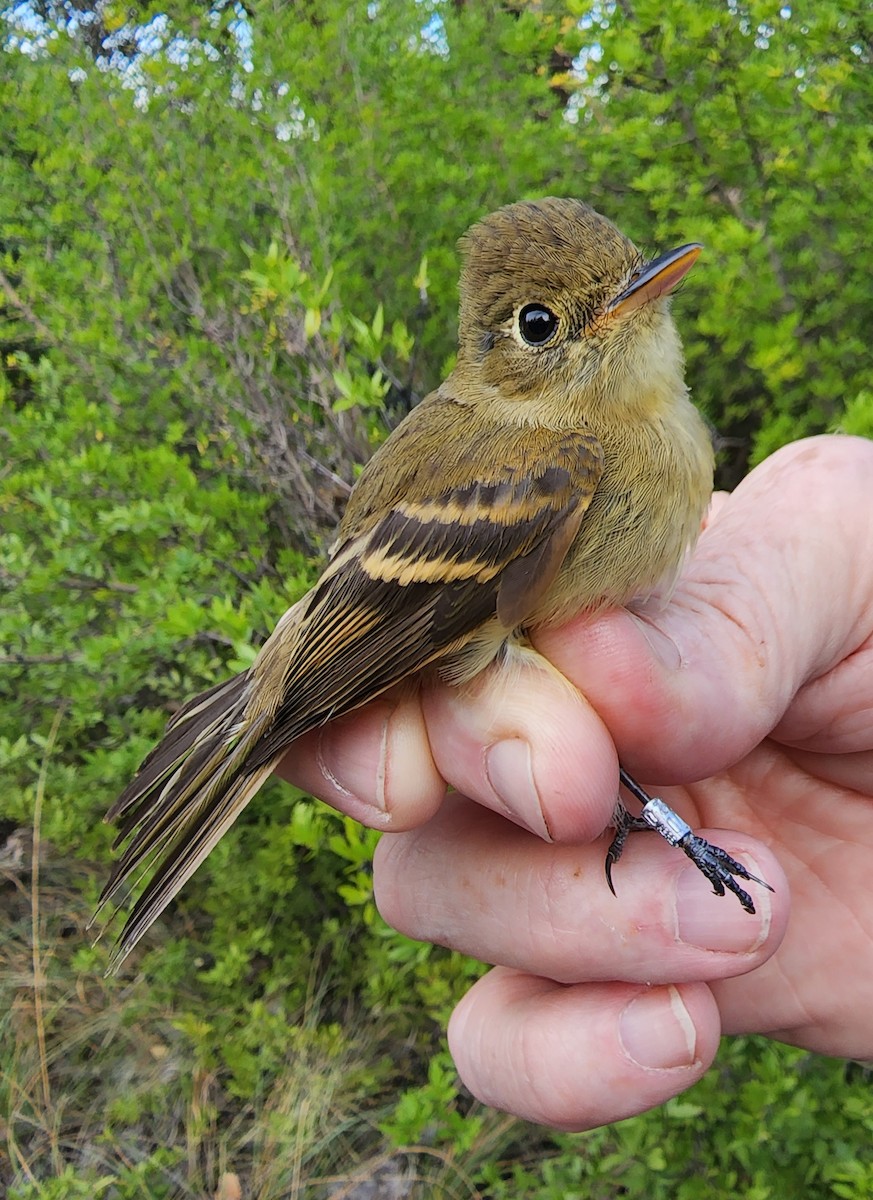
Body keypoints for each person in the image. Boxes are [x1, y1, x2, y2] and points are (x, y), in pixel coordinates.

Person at [278, 434, 873, 1130]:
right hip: (391, 636)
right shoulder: (554, 453)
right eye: (542, 320)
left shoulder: (630, 449)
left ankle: (656, 821)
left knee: (563, 733)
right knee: (552, 740)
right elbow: (399, 616)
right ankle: (658, 822)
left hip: (712, 754)